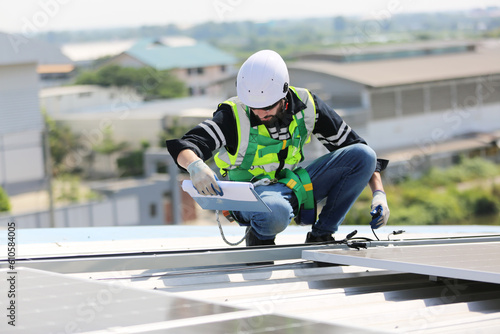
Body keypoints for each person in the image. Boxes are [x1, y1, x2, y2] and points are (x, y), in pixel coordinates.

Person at [166, 49, 389, 246]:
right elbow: (186, 145)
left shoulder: (307, 105)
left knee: (363, 156)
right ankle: (260, 234)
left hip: (292, 185)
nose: (261, 113)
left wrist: (378, 193)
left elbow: (355, 147)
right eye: (255, 108)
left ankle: (322, 235)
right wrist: (195, 165)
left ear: (284, 93)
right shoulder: (233, 115)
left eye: (267, 107)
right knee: (275, 211)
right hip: (250, 194)